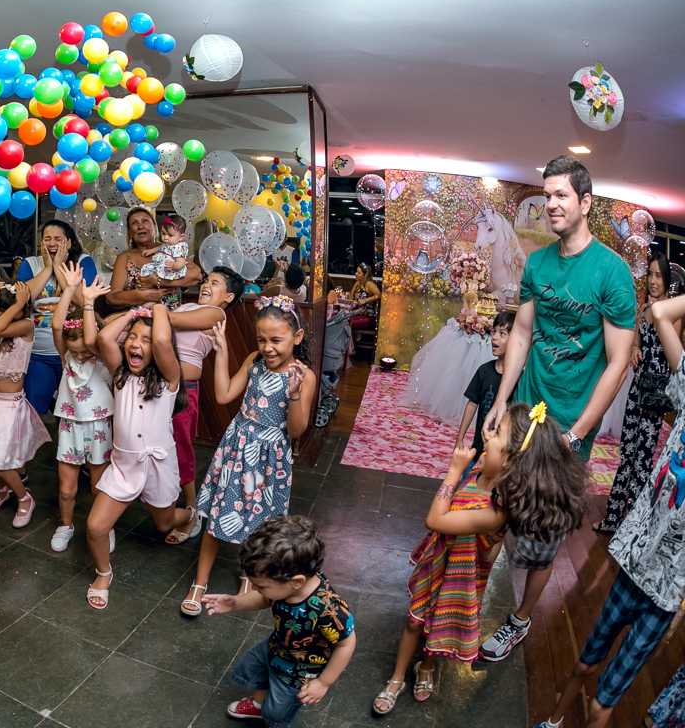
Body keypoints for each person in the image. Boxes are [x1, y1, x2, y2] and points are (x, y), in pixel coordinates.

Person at [480, 155, 636, 663]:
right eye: (546, 195)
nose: (550, 204)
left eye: (560, 195)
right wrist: (501, 400)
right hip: (525, 409)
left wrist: (577, 434)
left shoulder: (611, 272)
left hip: (569, 424)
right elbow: (522, 332)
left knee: (543, 532)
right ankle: (472, 592)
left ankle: (521, 618)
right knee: (500, 505)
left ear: (585, 202)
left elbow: (617, 363)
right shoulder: (539, 263)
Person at [373, 402, 585, 715]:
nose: (487, 436)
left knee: (435, 626)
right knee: (414, 622)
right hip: (438, 565)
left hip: (459, 580)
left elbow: (435, 520)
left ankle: (426, 666)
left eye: (497, 434)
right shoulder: (481, 470)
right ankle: (396, 678)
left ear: (511, 460)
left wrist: (453, 471)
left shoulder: (495, 511)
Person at [534, 291, 685, 728]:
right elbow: (659, 311)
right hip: (635, 564)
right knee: (585, 662)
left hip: (666, 592)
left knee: (603, 703)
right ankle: (552, 723)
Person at [182, 295, 317, 617]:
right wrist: (222, 352)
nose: (267, 348)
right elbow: (223, 394)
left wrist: (294, 393)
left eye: (276, 340)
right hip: (238, 449)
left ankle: (249, 576)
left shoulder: (304, 375)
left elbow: (295, 430)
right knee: (218, 516)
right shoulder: (254, 361)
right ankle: (199, 582)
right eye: (261, 339)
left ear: (297, 337)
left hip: (270, 459)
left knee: (259, 523)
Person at [85, 304, 197, 609]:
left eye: (145, 340)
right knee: (96, 527)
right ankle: (103, 573)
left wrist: (157, 307)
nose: (136, 343)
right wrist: (134, 313)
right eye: (132, 337)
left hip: (158, 465)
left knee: (164, 525)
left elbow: (162, 340)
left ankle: (190, 515)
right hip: (124, 467)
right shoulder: (120, 374)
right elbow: (105, 338)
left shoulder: (169, 379)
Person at [201, 516, 356, 727]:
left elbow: (347, 643)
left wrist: (323, 682)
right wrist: (235, 603)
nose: (255, 589)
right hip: (276, 646)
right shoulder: (285, 584)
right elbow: (266, 598)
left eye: (261, 586)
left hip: (299, 671)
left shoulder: (328, 610)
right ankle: (258, 705)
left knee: (277, 712)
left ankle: (271, 717)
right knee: (251, 668)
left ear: (296, 582)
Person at [163, 266, 246, 545]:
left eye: (215, 283)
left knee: (181, 448)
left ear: (229, 297)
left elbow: (170, 319)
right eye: (206, 281)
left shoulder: (217, 314)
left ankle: (192, 510)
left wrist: (147, 310)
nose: (206, 285)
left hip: (182, 392)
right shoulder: (188, 306)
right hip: (159, 386)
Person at [597, 251, 679, 533]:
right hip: (636, 389)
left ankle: (633, 524)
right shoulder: (643, 309)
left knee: (643, 459)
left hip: (656, 393)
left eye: (659, 276)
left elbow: (675, 356)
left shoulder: (671, 311)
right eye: (650, 275)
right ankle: (612, 518)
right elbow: (635, 339)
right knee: (626, 453)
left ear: (667, 280)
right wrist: (634, 347)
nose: (653, 281)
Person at [0, 281, 50, 528]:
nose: (3, 313)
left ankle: (25, 499)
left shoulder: (26, 325)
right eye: (1, 309)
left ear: (23, 307)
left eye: (8, 308)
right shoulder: (1, 324)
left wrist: (19, 303)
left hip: (7, 405)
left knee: (0, 460)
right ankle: (2, 490)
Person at [48, 263, 114, 553]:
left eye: (84, 351)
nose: (80, 355)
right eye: (75, 352)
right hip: (70, 423)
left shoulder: (104, 355)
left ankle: (104, 528)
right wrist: (70, 289)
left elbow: (91, 340)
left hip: (99, 425)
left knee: (99, 485)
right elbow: (56, 325)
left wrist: (88, 303)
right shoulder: (67, 357)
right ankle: (66, 525)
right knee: (66, 488)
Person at [16, 220, 98, 415]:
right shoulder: (30, 264)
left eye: (58, 239)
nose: (51, 243)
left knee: (75, 409)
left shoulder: (83, 261)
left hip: (76, 352)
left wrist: (59, 267)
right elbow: (20, 301)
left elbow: (82, 301)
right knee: (34, 410)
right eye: (47, 239)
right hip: (37, 353)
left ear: (68, 243)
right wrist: (47, 269)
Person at [106, 206, 203, 311]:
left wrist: (156, 281)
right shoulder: (124, 257)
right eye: (134, 223)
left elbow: (196, 276)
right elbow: (111, 297)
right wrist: (143, 296)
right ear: (129, 231)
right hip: (137, 317)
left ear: (155, 226)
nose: (140, 226)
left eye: (145, 221)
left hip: (171, 317)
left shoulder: (170, 249)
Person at [453, 311, 515, 462]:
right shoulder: (484, 371)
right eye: (494, 332)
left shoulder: (519, 379)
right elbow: (472, 404)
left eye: (502, 333)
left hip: (504, 455)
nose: (494, 337)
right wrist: (459, 439)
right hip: (479, 447)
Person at [139, 214, 190, 283]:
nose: (165, 238)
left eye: (170, 235)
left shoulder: (178, 247)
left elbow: (181, 262)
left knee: (156, 276)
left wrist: (174, 265)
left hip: (169, 269)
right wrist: (150, 251)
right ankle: (145, 281)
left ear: (181, 237)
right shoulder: (168, 244)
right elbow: (161, 248)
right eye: (163, 233)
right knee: (147, 268)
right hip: (160, 265)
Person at [348, 262, 379, 335]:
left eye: (358, 273)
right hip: (356, 314)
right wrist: (353, 302)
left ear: (365, 275)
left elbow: (379, 295)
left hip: (367, 316)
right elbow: (351, 297)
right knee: (342, 321)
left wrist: (365, 300)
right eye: (356, 272)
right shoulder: (357, 283)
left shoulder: (369, 284)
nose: (355, 274)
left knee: (346, 323)